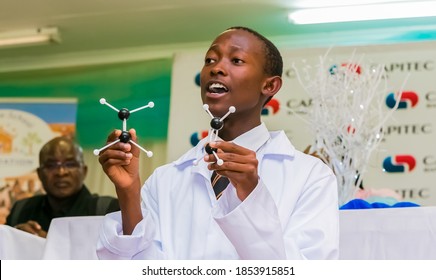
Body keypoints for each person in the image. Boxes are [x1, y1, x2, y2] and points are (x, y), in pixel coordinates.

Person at [96, 26, 339, 259]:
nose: (216, 69)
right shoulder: (164, 180)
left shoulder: (311, 176)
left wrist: (251, 196)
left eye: (236, 60)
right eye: (210, 60)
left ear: (269, 85)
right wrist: (128, 193)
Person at [6, 136, 120, 238]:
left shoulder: (107, 210)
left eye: (70, 164)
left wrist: (48, 243)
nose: (61, 172)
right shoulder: (20, 210)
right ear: (40, 174)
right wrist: (16, 238)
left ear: (84, 171)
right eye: (51, 165)